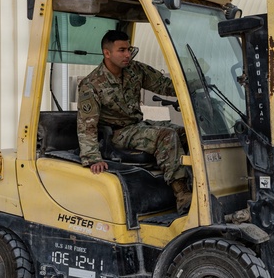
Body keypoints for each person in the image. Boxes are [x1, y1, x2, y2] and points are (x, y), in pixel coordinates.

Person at [77, 29, 192, 214]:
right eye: (122, 50)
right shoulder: (91, 84)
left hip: (137, 126)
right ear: (107, 53)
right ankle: (182, 194)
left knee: (187, 134)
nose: (127, 55)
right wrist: (92, 158)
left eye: (129, 49)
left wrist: (192, 86)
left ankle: (196, 184)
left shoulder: (134, 70)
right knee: (167, 136)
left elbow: (163, 84)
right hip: (116, 134)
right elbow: (86, 125)